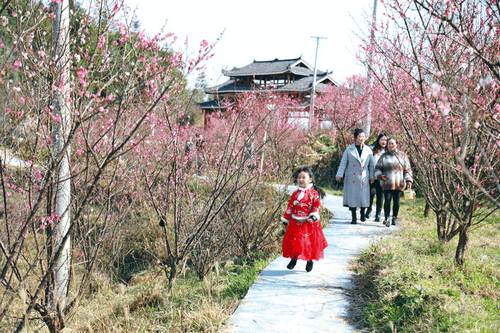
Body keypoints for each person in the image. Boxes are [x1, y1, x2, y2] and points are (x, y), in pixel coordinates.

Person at [281, 166, 328, 272]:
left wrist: (313, 216)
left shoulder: (313, 194)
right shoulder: (295, 193)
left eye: (303, 178)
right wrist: (286, 219)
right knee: (294, 241)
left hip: (309, 223)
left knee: (308, 243)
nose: (301, 180)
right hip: (295, 221)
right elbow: (290, 207)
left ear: (310, 180)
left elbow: (316, 206)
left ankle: (310, 260)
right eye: (299, 178)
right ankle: (293, 259)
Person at [335, 128, 375, 224]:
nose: (362, 139)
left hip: (363, 177)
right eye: (360, 137)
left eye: (363, 137)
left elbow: (371, 165)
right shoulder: (349, 149)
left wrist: (372, 176)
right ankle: (353, 217)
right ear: (355, 138)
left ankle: (362, 212)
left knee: (363, 197)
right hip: (352, 177)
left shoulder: (368, 150)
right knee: (353, 197)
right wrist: (339, 175)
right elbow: (343, 163)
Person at [374, 137, 413, 227]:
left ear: (396, 144)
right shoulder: (384, 156)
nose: (390, 145)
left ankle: (394, 217)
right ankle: (387, 218)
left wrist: (408, 180)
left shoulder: (402, 155)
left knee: (396, 201)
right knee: (387, 200)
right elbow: (377, 168)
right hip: (387, 182)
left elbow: (408, 169)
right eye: (389, 144)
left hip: (399, 182)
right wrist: (380, 176)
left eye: (392, 143)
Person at [366, 133, 388, 221]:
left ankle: (378, 214)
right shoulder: (372, 149)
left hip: (383, 178)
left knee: (380, 196)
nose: (384, 142)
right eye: (382, 139)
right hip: (373, 177)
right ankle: (369, 209)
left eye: (386, 140)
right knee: (371, 194)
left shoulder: (387, 151)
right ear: (378, 139)